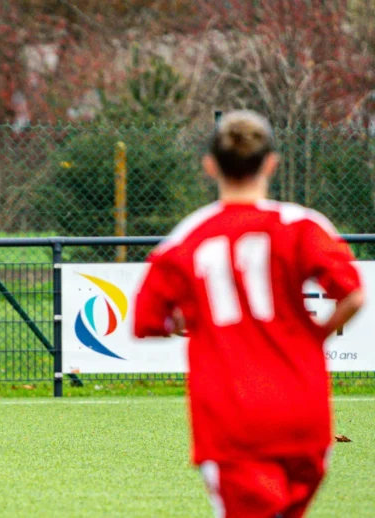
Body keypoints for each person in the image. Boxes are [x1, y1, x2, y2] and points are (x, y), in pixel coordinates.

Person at [132, 110, 364, 518]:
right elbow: (353, 295)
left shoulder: (188, 236)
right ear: (271, 163)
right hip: (303, 408)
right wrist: (314, 337)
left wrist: (192, 319)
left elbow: (148, 320)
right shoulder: (302, 225)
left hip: (232, 415)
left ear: (210, 166)